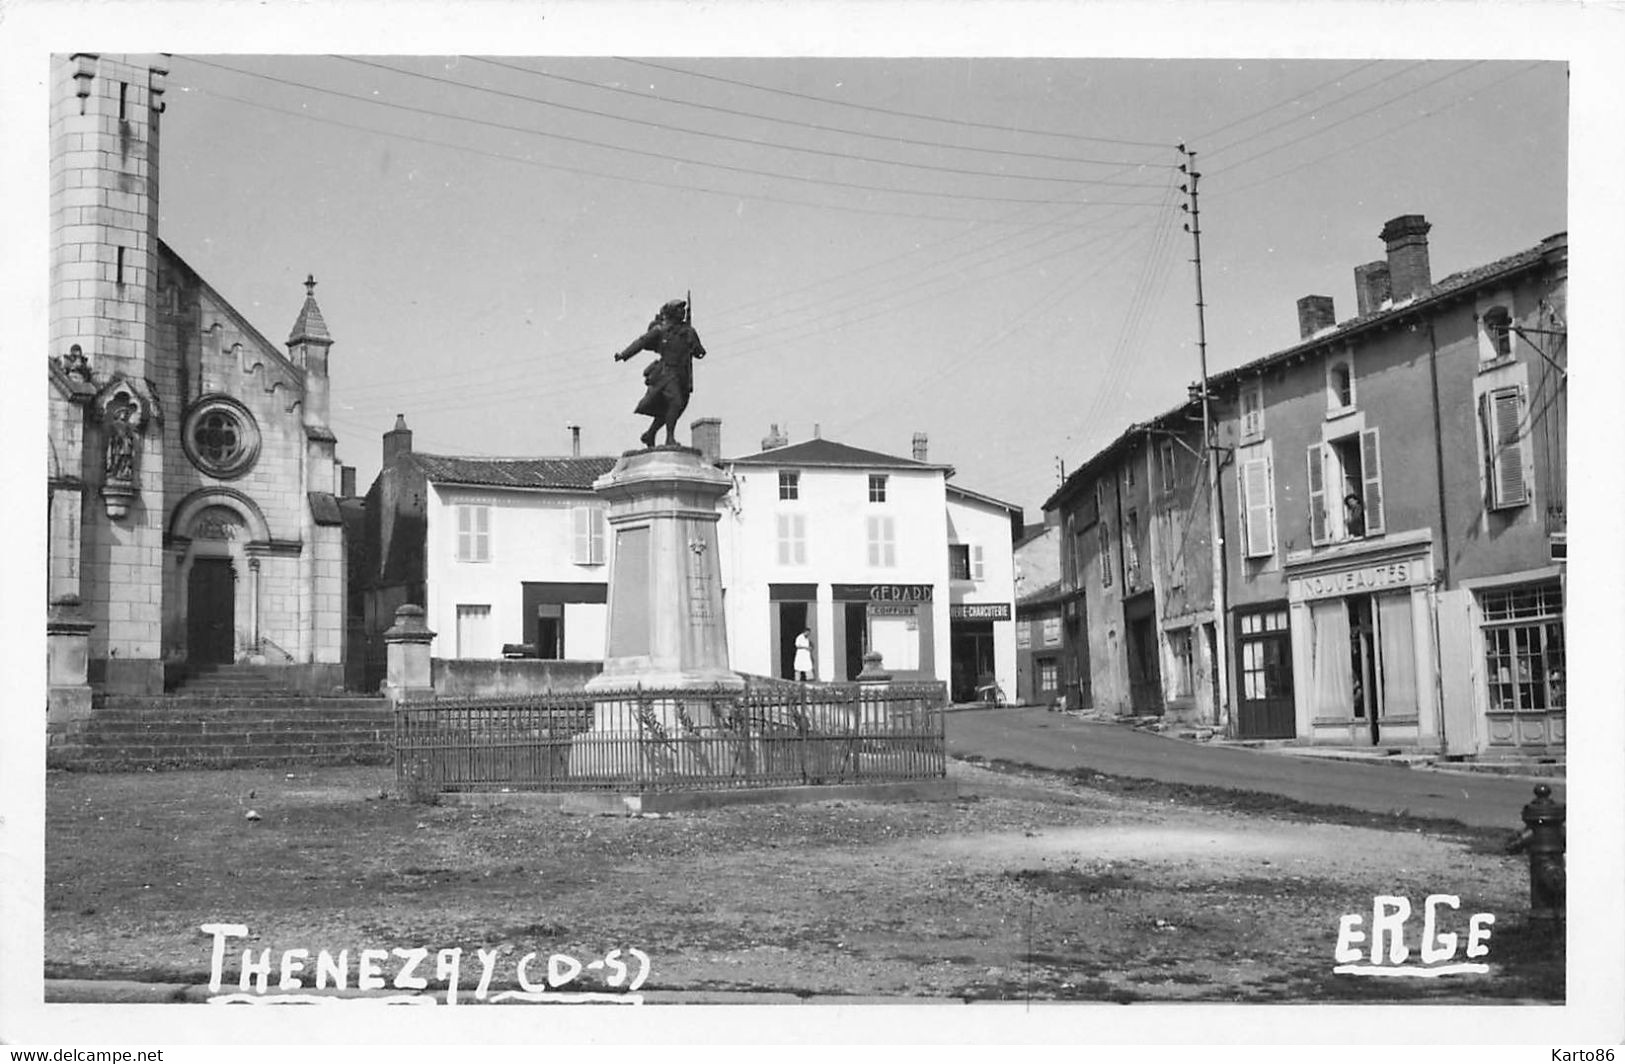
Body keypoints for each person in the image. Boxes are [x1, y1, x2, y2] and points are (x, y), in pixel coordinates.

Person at [614, 298, 706, 448]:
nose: (682, 312)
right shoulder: (661, 329)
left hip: (683, 375)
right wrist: (624, 354)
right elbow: (641, 342)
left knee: (675, 407)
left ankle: (650, 434)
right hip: (667, 372)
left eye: (683, 309)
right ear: (671, 312)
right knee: (675, 403)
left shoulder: (689, 331)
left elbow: (698, 352)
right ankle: (670, 438)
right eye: (678, 309)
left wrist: (695, 346)